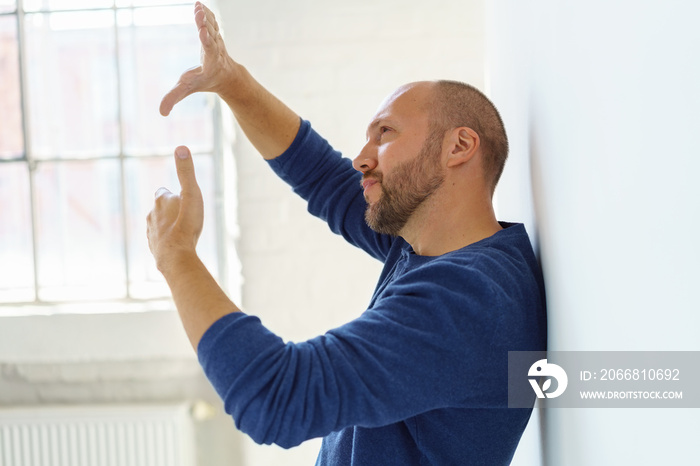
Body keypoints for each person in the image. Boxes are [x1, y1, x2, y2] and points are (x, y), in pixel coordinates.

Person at [147, 2, 547, 465]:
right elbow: (323, 178)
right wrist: (231, 82)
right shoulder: (440, 246)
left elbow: (275, 399)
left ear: (458, 147)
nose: (362, 157)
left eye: (385, 133)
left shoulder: (465, 302)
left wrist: (176, 258)